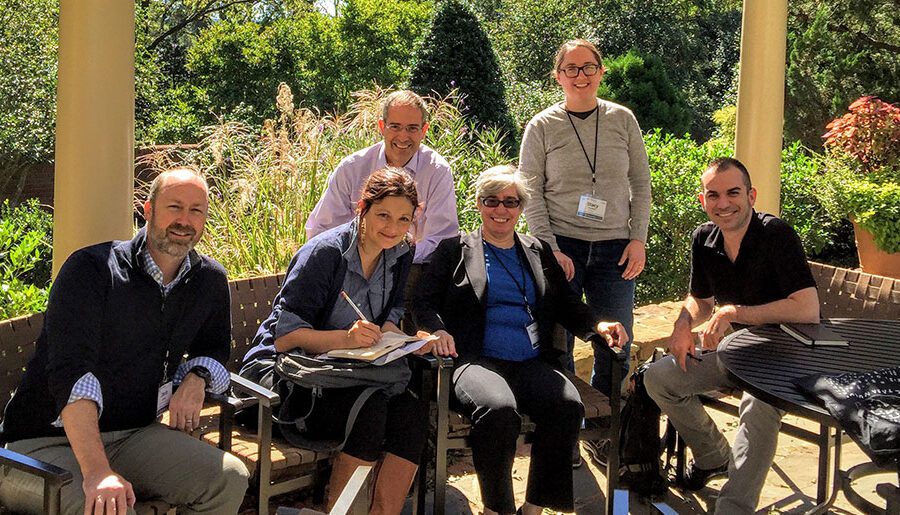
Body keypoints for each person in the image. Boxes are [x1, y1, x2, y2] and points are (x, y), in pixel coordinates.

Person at [0, 168, 250, 514]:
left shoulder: (208, 280)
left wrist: (198, 378)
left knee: (228, 478)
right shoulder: (92, 270)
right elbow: (71, 375)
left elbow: (215, 350)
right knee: (111, 509)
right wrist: (98, 473)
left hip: (133, 435)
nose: (184, 220)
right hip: (41, 447)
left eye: (196, 210)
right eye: (174, 207)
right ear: (147, 210)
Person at [412, 165, 629, 515]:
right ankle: (498, 509)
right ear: (479, 205)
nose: (501, 210)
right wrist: (437, 330)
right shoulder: (455, 250)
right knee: (499, 411)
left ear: (521, 207)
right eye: (491, 201)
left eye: (510, 202)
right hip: (473, 360)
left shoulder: (537, 250)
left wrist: (597, 326)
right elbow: (423, 302)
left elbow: (567, 305)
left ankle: (535, 506)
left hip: (530, 362)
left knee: (566, 406)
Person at [241, 167, 433, 514]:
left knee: (412, 411)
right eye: (383, 215)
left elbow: (386, 319)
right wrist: (346, 337)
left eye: (404, 219)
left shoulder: (401, 253)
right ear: (363, 207)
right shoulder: (326, 254)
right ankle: (341, 512)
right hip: (285, 378)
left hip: (347, 373)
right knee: (370, 409)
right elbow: (285, 338)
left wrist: (406, 340)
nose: (392, 228)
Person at [643, 157, 821, 514]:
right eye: (714, 195)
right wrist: (682, 325)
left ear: (751, 195)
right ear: (702, 200)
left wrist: (735, 313)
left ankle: (733, 508)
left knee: (756, 406)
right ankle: (713, 456)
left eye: (733, 193)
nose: (723, 204)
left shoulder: (776, 235)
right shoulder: (703, 237)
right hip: (736, 353)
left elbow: (807, 309)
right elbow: (701, 300)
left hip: (787, 354)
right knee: (658, 378)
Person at [519, 38, 651, 396]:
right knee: (557, 342)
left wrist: (637, 238)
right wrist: (549, 248)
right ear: (558, 76)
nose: (581, 76)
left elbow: (640, 183)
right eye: (571, 69)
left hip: (616, 250)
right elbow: (530, 192)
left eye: (588, 67)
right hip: (563, 248)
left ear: (601, 71)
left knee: (617, 340)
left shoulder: (622, 120)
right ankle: (568, 424)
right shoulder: (542, 126)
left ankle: (601, 427)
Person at [306, 90, 459, 330]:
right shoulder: (352, 168)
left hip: (409, 274)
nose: (403, 136)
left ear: (424, 130)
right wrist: (364, 258)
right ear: (381, 126)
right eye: (395, 126)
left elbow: (442, 240)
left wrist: (391, 254)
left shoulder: (437, 171)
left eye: (412, 128)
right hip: (347, 271)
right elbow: (320, 230)